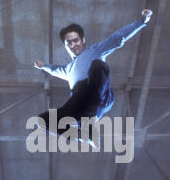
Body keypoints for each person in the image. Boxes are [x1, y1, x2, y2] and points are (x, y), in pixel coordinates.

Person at [34, 9, 154, 148]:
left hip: (99, 94)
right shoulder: (68, 70)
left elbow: (118, 38)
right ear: (65, 46)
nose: (73, 45)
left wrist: (142, 21)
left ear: (83, 40)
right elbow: (54, 70)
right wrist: (43, 66)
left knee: (98, 65)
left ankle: (89, 120)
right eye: (69, 43)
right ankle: (84, 135)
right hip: (79, 104)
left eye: (76, 40)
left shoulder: (95, 50)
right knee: (42, 120)